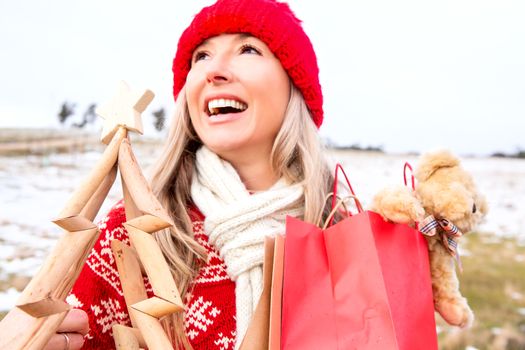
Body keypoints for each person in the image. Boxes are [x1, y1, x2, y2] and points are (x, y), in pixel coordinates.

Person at [44, 0, 333, 349]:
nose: (215, 71)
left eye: (248, 49)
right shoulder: (135, 234)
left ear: (295, 85)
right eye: (202, 57)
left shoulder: (343, 232)